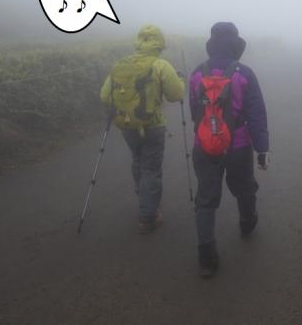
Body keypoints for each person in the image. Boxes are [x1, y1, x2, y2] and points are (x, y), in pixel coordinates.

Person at [189, 22, 270, 278]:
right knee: (244, 187)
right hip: (238, 146)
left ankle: (206, 258)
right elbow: (256, 114)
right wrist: (262, 149)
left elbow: (194, 111)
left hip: (204, 146)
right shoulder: (244, 73)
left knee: (205, 199)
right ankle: (248, 223)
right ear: (236, 45)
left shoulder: (197, 72)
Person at [100, 25, 185, 234]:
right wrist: (181, 81)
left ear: (138, 42)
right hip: (153, 125)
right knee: (151, 169)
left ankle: (144, 198)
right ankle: (148, 217)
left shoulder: (122, 64)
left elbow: (104, 96)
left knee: (137, 160)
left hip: (127, 124)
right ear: (159, 43)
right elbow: (176, 95)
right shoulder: (161, 65)